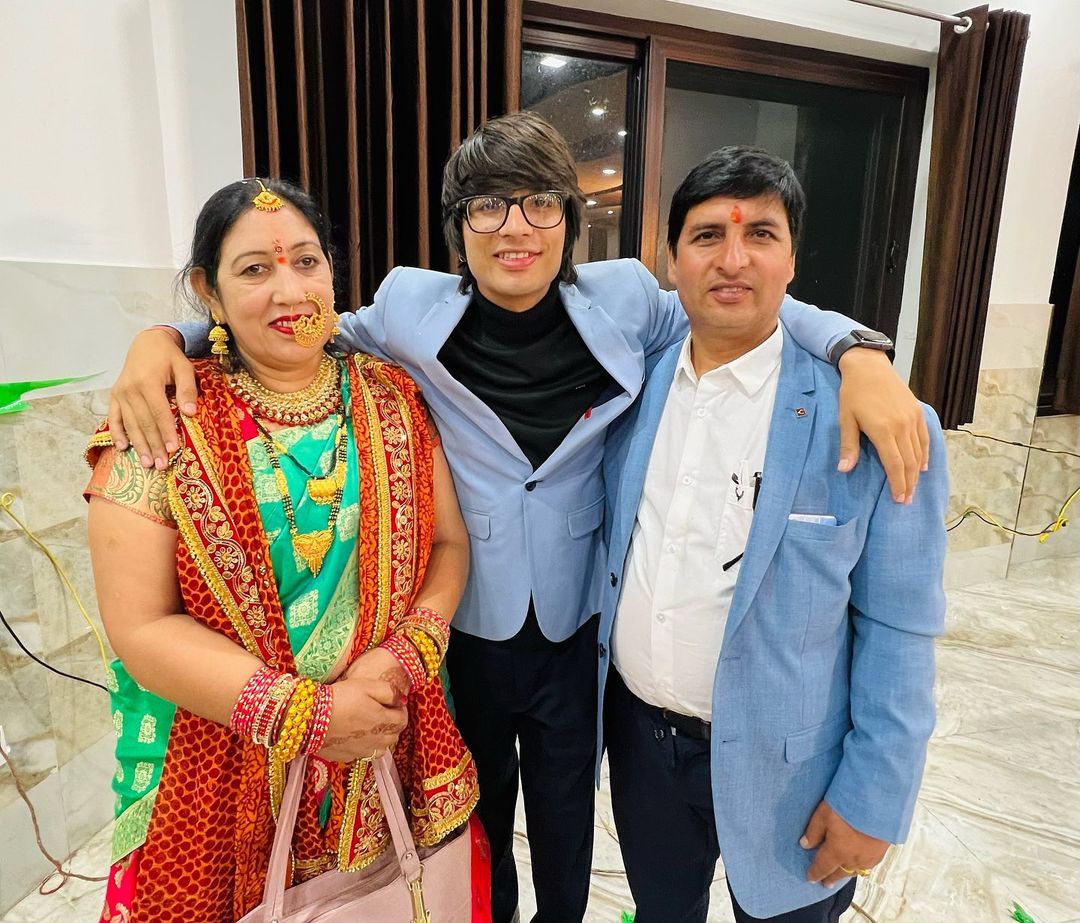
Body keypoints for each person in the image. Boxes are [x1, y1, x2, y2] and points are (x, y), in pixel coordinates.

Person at [105, 113, 931, 923]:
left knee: (569, 817)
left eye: (540, 202)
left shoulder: (630, 301)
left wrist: (859, 349)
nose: (515, 228)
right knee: (479, 813)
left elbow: (743, 303)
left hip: (579, 626)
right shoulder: (405, 311)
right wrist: (162, 336)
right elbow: (292, 329)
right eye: (486, 207)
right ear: (457, 228)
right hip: (465, 625)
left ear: (570, 221)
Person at [85, 178, 484, 923]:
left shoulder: (394, 395)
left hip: (390, 732)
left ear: (333, 272)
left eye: (306, 262)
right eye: (255, 270)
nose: (289, 290)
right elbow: (140, 626)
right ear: (207, 290)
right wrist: (305, 714)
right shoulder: (163, 420)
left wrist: (402, 657)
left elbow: (450, 545)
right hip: (223, 761)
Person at [597, 146, 948, 923]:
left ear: (792, 259)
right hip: (642, 748)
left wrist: (876, 795)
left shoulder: (878, 419)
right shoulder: (629, 380)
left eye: (761, 233)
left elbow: (901, 625)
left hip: (793, 770)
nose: (733, 258)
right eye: (707, 236)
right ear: (672, 259)